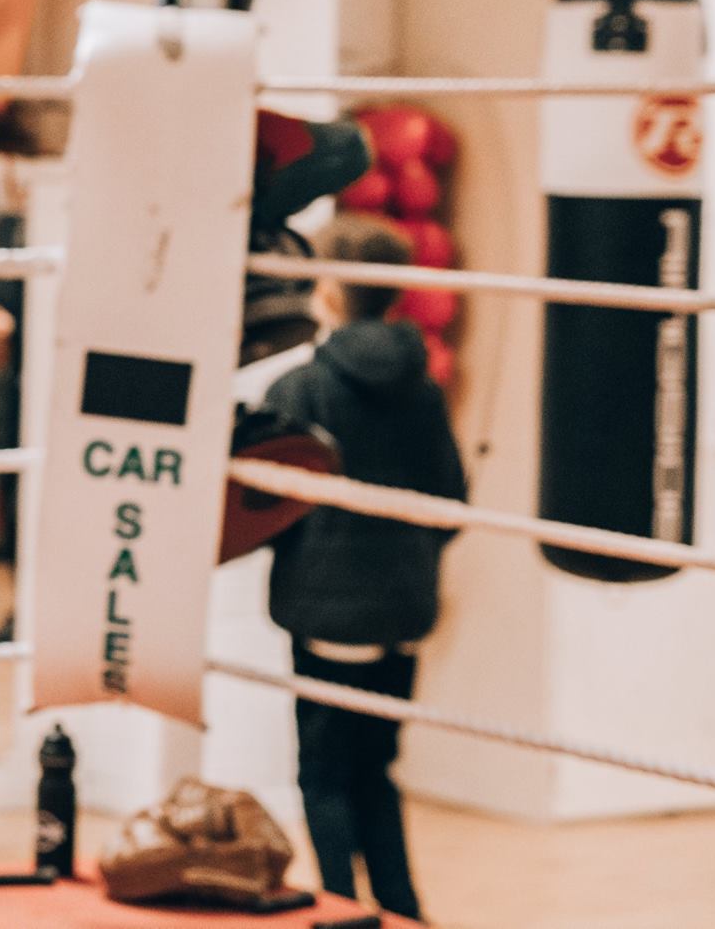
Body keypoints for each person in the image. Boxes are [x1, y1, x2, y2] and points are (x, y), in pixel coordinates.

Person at [260, 213, 466, 922]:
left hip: (328, 606)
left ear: (330, 289)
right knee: (375, 765)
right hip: (403, 604)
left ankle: (344, 910)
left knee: (323, 768)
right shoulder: (425, 388)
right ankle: (403, 909)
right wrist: (408, 562)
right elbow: (454, 499)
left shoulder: (304, 387)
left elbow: (261, 502)